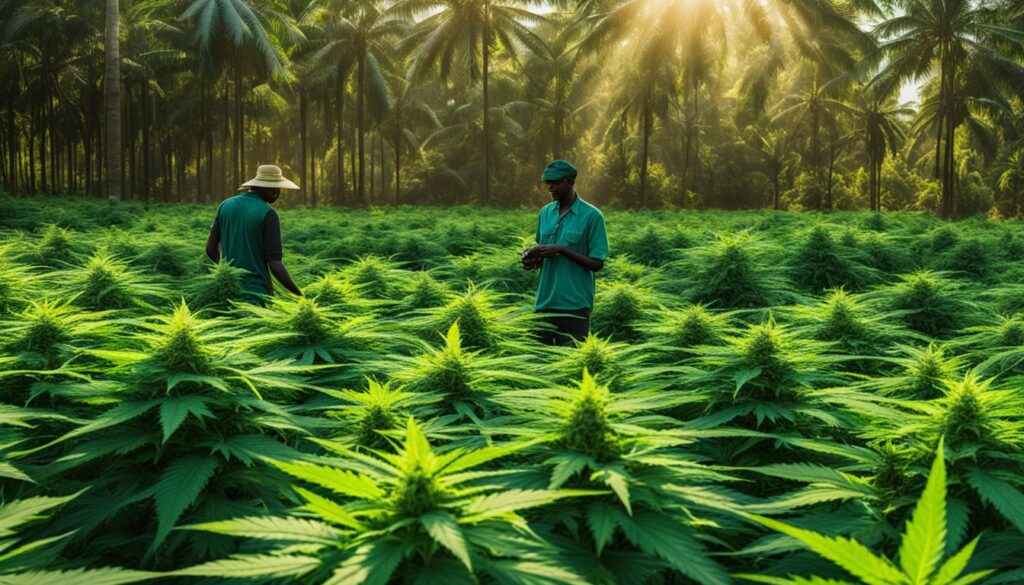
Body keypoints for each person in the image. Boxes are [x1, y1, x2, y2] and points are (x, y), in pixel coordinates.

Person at [522, 160, 609, 345]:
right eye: (548, 183)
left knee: (571, 365)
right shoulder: (545, 213)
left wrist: (562, 250)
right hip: (545, 303)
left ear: (570, 181)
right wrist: (532, 259)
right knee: (540, 364)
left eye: (555, 182)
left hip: (575, 306)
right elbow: (543, 256)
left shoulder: (592, 216)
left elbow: (597, 263)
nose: (550, 187)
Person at [205, 164, 303, 304]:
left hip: (226, 291)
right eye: (277, 188)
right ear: (271, 189)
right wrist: (299, 295)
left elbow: (210, 249)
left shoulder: (225, 205)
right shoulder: (268, 214)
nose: (278, 192)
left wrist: (226, 272)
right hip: (255, 295)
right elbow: (274, 263)